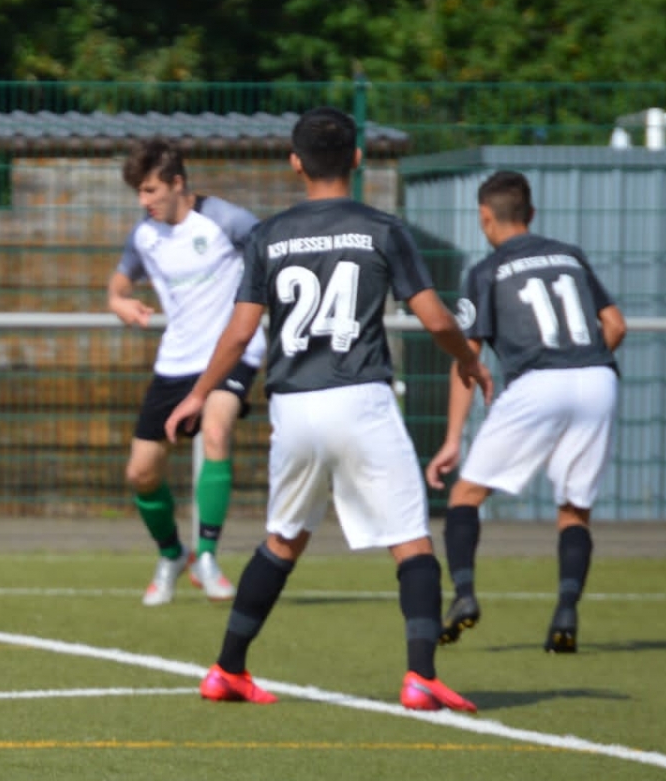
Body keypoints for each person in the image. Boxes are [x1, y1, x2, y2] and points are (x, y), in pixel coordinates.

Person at [165, 106, 494, 713]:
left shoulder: (268, 235)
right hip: (360, 398)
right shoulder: (383, 229)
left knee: (282, 540)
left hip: (293, 408)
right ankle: (421, 675)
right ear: (358, 160)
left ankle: (227, 669)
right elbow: (434, 318)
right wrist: (468, 361)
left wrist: (197, 393)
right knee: (411, 541)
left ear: (295, 163)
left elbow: (239, 334)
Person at [426, 171, 625, 654]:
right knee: (574, 507)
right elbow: (615, 325)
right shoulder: (570, 256)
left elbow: (467, 360)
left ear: (484, 217)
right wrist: (582, 361)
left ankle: (465, 595)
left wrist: (452, 439)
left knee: (467, 494)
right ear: (531, 214)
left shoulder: (485, 271)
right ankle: (565, 614)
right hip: (597, 377)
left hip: (538, 380)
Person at [111, 138, 266, 605]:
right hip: (176, 362)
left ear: (178, 183)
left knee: (216, 432)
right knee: (141, 472)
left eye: (151, 190)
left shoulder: (226, 220)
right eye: (140, 192)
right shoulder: (145, 235)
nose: (145, 201)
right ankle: (172, 554)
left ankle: (207, 557)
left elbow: (271, 251)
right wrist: (119, 301)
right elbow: (120, 279)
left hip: (232, 352)